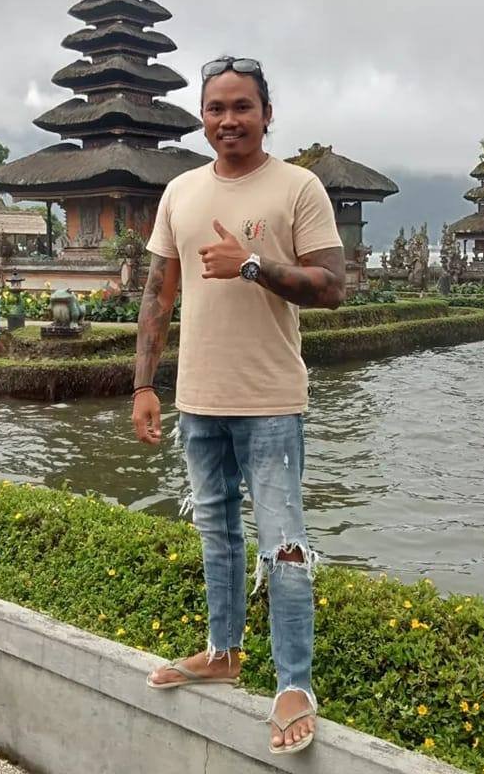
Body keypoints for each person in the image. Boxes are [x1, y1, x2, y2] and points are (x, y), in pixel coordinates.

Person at [132, 56, 345, 755]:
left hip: (271, 400)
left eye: (242, 107)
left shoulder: (297, 187)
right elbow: (158, 294)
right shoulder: (181, 192)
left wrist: (252, 265)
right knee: (215, 534)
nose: (229, 120)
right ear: (203, 116)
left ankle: (294, 685)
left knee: (283, 545)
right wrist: (143, 385)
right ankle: (222, 652)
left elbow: (331, 286)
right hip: (198, 399)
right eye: (217, 108)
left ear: (266, 114)